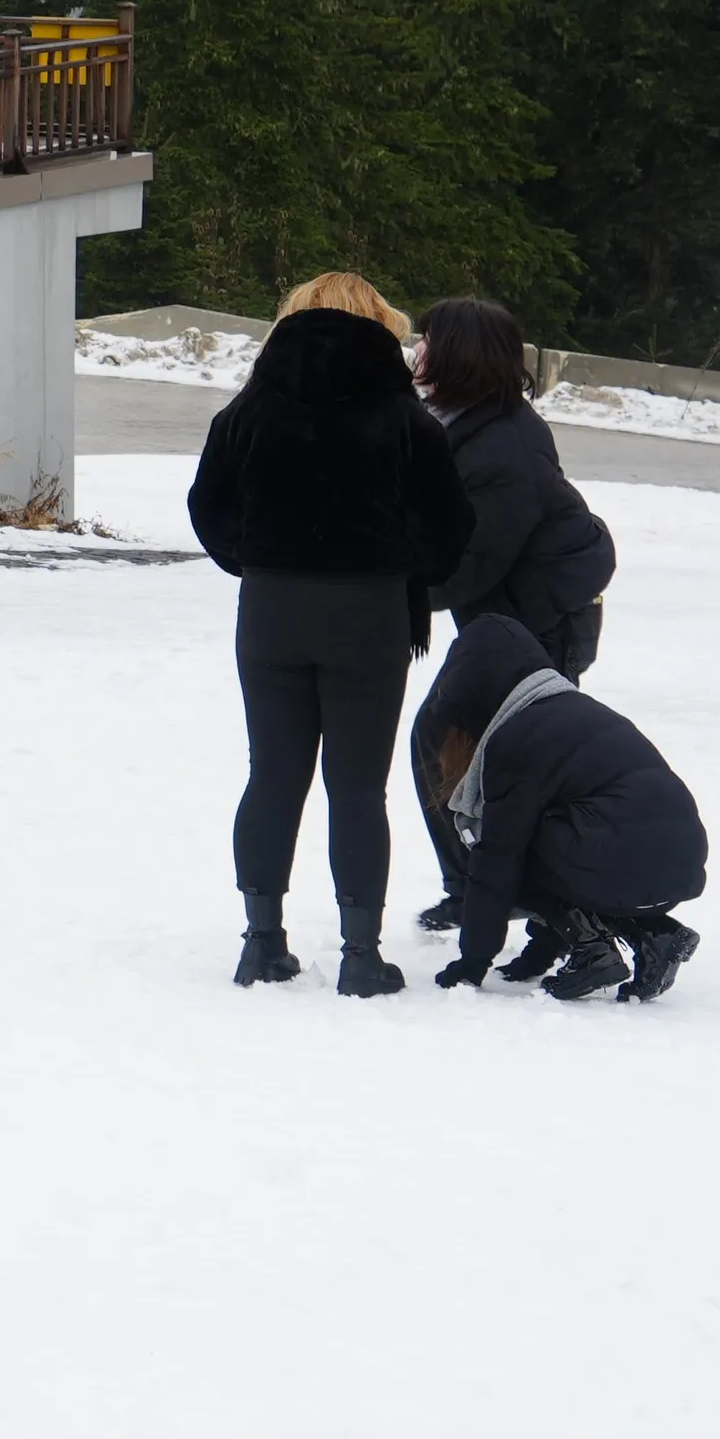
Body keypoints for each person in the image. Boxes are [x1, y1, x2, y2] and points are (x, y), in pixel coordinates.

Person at [186, 271, 473, 996]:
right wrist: (402, 568)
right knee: (356, 788)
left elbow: (208, 507)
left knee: (273, 775)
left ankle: (261, 942)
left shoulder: (247, 412)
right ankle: (359, 954)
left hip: (271, 610)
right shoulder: (407, 421)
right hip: (370, 616)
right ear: (382, 324)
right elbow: (451, 530)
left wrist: (258, 560)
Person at [404, 295, 620, 933]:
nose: (417, 352)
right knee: (465, 751)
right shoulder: (475, 421)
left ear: (459, 357)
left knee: (465, 749)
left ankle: (538, 899)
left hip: (538, 629)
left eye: (428, 342)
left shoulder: (502, 448)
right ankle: (482, 886)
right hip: (510, 622)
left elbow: (471, 562)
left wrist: (388, 592)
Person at [421, 614, 707, 1003]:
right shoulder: (570, 709)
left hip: (625, 855)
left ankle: (592, 950)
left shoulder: (517, 737)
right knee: (550, 838)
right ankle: (655, 934)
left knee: (505, 846)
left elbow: (501, 859)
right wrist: (537, 955)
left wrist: (471, 963)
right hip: (677, 861)